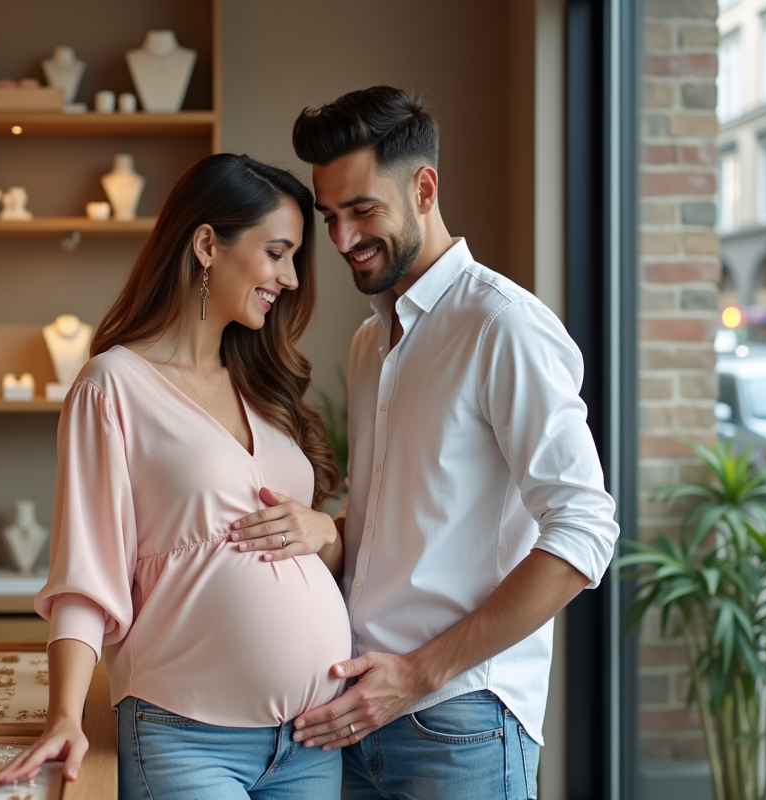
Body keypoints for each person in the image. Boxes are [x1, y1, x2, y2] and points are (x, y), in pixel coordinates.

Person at [232, 86, 620, 799]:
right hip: (357, 716)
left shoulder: (504, 326)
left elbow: (584, 530)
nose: (343, 240)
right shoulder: (369, 341)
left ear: (424, 187)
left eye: (362, 211)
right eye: (331, 218)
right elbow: (413, 525)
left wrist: (417, 674)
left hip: (460, 724)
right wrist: (332, 528)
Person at [0, 153, 351, 800]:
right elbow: (84, 573)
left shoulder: (266, 388)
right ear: (208, 243)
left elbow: (326, 549)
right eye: (278, 253)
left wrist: (324, 531)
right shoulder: (113, 386)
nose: (290, 278)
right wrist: (65, 712)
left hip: (310, 739)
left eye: (295, 260)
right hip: (187, 739)